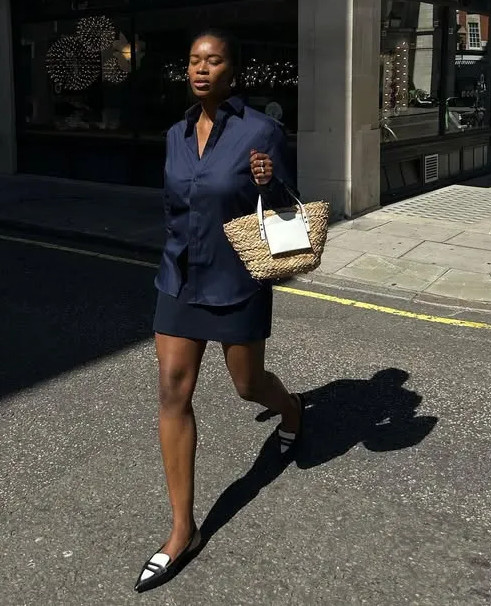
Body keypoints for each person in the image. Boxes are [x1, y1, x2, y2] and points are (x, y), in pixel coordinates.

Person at [134, 30, 305, 593]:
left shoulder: (262, 131)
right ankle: (183, 530)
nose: (201, 69)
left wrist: (270, 180)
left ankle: (292, 408)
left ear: (234, 70)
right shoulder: (174, 135)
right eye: (193, 60)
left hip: (237, 279)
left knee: (247, 384)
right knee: (171, 393)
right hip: (180, 277)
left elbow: (288, 207)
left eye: (214, 61)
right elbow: (172, 206)